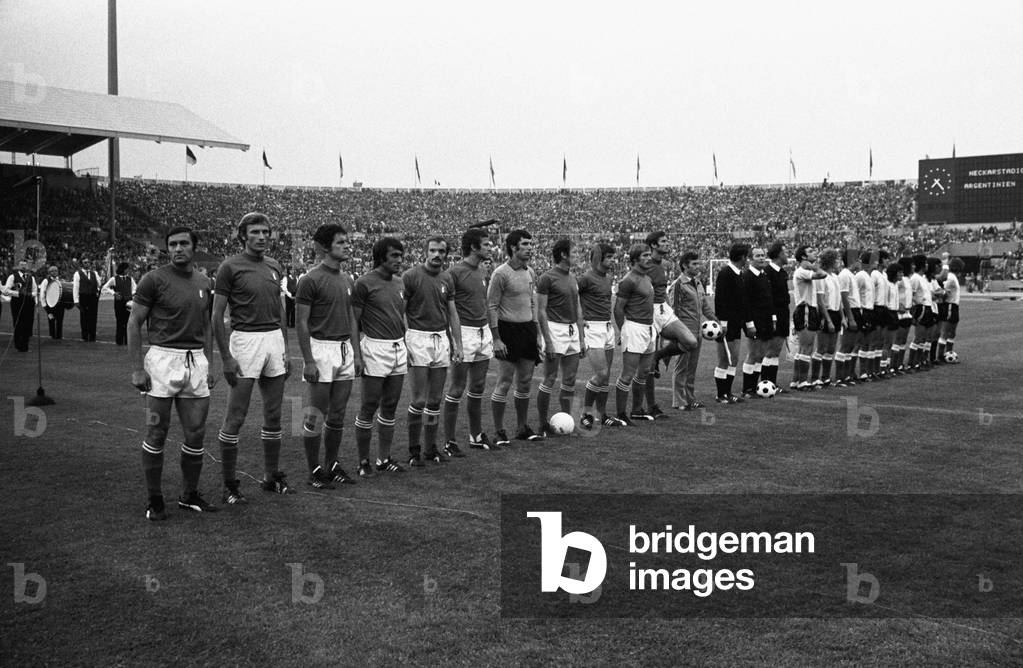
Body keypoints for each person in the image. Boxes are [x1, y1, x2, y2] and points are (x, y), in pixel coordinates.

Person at [128, 226, 218, 520]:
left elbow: (207, 325)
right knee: (156, 431)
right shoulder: (153, 280)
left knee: (196, 432)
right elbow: (134, 322)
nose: (178, 249)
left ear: (194, 247)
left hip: (195, 361)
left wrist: (209, 363)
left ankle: (189, 495)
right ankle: (154, 499)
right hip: (163, 360)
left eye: (183, 244)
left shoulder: (204, 281)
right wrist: (137, 369)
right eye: (173, 245)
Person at [213, 212, 293, 504]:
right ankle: (229, 485)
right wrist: (226, 358)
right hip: (246, 341)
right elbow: (216, 314)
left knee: (274, 414)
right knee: (236, 416)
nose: (262, 237)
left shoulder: (274, 265)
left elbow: (280, 310)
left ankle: (271, 477)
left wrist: (285, 348)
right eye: (256, 232)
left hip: (274, 341)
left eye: (266, 232)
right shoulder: (229, 266)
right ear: (243, 236)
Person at [295, 223, 362, 489]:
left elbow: (352, 320)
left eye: (346, 241)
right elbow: (301, 322)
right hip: (321, 349)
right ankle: (314, 470)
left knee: (338, 414)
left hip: (344, 349)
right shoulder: (310, 279)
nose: (347, 246)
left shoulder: (347, 279)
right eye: (340, 242)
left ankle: (332, 465)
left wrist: (356, 354)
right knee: (315, 413)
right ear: (325, 247)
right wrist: (309, 361)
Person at [403, 236, 463, 467]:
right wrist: (406, 339)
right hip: (417, 337)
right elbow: (401, 311)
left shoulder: (447, 278)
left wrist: (458, 344)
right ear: (425, 252)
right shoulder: (411, 276)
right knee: (418, 400)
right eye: (433, 250)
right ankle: (413, 450)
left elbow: (452, 313)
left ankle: (430, 448)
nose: (437, 255)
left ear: (446, 254)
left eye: (441, 251)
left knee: (435, 400)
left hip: (441, 338)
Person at [352, 237, 409, 475]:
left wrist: (406, 343)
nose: (399, 260)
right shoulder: (364, 283)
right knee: (369, 406)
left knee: (390, 406)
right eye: (394, 255)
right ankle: (363, 461)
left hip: (398, 347)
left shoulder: (399, 283)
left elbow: (400, 316)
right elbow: (354, 321)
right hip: (375, 347)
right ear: (380, 257)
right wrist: (357, 355)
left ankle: (383, 459)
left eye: (401, 255)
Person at [442, 228, 498, 453]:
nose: (490, 247)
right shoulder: (454, 273)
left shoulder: (481, 271)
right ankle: (449, 441)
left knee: (478, 386)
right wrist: (454, 340)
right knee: (457, 388)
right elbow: (447, 308)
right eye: (486, 244)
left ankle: (476, 436)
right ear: (474, 247)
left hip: (482, 331)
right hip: (463, 333)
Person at [488, 229, 544, 444]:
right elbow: (492, 306)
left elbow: (532, 303)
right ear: (513, 247)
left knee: (525, 382)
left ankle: (522, 428)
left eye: (531, 244)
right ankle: (499, 431)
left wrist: (537, 333)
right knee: (504, 382)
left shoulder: (530, 272)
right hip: (508, 330)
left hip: (527, 330)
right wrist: (496, 338)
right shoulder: (501, 273)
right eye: (525, 244)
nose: (530, 248)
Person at [535, 238, 586, 436]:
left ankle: (567, 421)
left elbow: (578, 308)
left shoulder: (572, 277)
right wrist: (547, 341)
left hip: (572, 330)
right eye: (575, 252)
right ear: (563, 254)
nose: (578, 255)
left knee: (570, 379)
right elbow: (541, 311)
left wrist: (581, 338)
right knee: (550, 378)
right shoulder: (547, 278)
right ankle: (542, 424)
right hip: (555, 329)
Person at [644, 232, 698, 418]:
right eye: (663, 241)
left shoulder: (663, 264)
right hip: (648, 311)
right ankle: (651, 406)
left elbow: (661, 290)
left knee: (690, 342)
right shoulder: (646, 264)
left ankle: (658, 355)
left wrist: (668, 308)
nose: (668, 243)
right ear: (653, 245)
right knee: (647, 365)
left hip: (663, 310)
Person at [578, 242, 622, 427]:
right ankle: (586, 414)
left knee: (607, 375)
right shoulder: (585, 278)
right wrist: (579, 319)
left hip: (607, 327)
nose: (613, 260)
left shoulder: (608, 278)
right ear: (598, 259)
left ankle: (602, 415)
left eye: (613, 257)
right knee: (601, 374)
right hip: (592, 328)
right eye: (609, 257)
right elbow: (571, 296)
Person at [612, 244, 656, 425]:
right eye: (645, 255)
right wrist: (623, 331)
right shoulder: (628, 280)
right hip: (634, 328)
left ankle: (637, 410)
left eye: (649, 255)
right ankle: (621, 414)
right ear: (635, 259)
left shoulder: (646, 277)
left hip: (649, 328)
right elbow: (618, 308)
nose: (649, 258)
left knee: (644, 372)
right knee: (628, 374)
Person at [670, 251, 716, 409]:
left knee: (691, 368)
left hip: (697, 332)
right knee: (681, 367)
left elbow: (705, 307)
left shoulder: (698, 282)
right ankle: (678, 401)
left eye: (698, 263)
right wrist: (676, 333)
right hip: (684, 332)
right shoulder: (678, 284)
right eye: (694, 264)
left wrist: (716, 321)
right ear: (685, 265)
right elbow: (673, 310)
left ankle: (690, 398)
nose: (698, 266)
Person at [713, 243, 754, 402]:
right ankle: (721, 394)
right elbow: (720, 300)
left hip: (736, 323)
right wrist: (723, 323)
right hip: (727, 324)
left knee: (734, 359)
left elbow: (744, 301)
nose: (748, 259)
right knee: (725, 359)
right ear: (742, 257)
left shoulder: (739, 274)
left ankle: (728, 393)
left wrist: (749, 323)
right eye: (747, 256)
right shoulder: (725, 273)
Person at [789, 246, 827, 391]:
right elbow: (822, 274)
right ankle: (803, 381)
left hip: (808, 309)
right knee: (807, 347)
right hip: (805, 309)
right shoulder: (802, 271)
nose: (814, 252)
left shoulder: (803, 271)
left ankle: (796, 380)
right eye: (810, 251)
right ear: (803, 257)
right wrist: (813, 266)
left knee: (803, 348)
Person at [739, 247, 773, 398]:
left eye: (763, 255)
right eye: (758, 256)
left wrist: (773, 318)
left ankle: (753, 387)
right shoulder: (747, 276)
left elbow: (769, 299)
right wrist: (749, 323)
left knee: (761, 355)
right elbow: (745, 302)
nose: (761, 258)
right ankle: (747, 389)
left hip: (766, 320)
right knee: (753, 355)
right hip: (754, 321)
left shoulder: (764, 275)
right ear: (750, 259)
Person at [761, 242, 790, 390]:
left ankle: (772, 383)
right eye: (785, 252)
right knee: (770, 351)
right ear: (779, 254)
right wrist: (772, 317)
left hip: (783, 314)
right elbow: (767, 297)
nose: (787, 255)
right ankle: (765, 383)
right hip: (774, 315)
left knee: (776, 351)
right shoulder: (767, 272)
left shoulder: (782, 272)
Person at [2, 259, 37, 352]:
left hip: (29, 303)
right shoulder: (12, 277)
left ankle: (25, 346)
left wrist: (30, 294)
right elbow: (5, 291)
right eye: (21, 265)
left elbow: (35, 290)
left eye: (25, 265)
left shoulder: (31, 277)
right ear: (18, 266)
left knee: (28, 324)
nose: (23, 267)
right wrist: (18, 293)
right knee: (18, 323)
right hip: (17, 302)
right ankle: (18, 345)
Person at [101, 262, 137, 346]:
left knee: (128, 321)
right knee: (120, 321)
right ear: (123, 269)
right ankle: (119, 340)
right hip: (119, 302)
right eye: (127, 268)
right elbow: (104, 287)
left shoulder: (130, 279)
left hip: (128, 302)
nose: (128, 270)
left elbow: (135, 288)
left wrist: (131, 294)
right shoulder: (114, 279)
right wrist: (114, 293)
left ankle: (127, 340)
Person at [937, 257, 962, 362]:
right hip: (950, 305)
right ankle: (940, 356)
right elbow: (943, 289)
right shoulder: (950, 277)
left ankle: (948, 353)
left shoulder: (953, 277)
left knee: (952, 333)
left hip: (954, 306)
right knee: (946, 332)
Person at [73, 258, 101, 342]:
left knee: (93, 316)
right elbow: (76, 287)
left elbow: (99, 284)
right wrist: (76, 300)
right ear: (82, 264)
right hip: (83, 297)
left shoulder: (95, 273)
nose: (87, 264)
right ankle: (85, 335)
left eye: (88, 262)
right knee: (84, 316)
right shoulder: (77, 274)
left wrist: (99, 283)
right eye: (85, 262)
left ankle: (92, 336)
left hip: (93, 297)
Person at [38, 266, 67, 340]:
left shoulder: (60, 280)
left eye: (56, 270)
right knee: (51, 320)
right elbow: (42, 294)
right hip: (50, 305)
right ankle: (52, 335)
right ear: (49, 272)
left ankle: (59, 336)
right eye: (52, 271)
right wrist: (45, 306)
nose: (54, 272)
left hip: (60, 304)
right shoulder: (46, 281)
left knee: (60, 320)